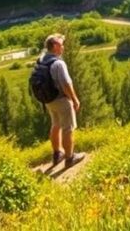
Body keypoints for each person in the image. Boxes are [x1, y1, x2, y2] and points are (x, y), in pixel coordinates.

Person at [35, 34, 85, 168]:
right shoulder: (58, 63)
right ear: (55, 46)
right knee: (68, 128)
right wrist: (74, 99)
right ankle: (70, 158)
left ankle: (57, 154)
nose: (63, 47)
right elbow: (66, 84)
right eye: (61, 44)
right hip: (61, 100)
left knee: (55, 125)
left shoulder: (41, 60)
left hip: (48, 100)